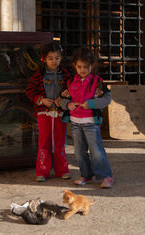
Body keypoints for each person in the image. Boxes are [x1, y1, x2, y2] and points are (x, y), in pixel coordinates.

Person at [59, 47, 114, 188]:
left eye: (86, 67)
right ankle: (86, 175)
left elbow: (107, 99)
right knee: (79, 151)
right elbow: (61, 100)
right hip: (75, 123)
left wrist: (91, 104)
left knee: (96, 150)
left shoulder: (97, 82)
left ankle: (106, 176)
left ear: (92, 66)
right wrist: (67, 104)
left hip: (91, 123)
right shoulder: (71, 82)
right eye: (79, 67)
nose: (82, 69)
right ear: (74, 66)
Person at [25, 42, 71, 182]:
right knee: (44, 143)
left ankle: (62, 170)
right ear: (44, 59)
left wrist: (65, 95)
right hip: (43, 114)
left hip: (60, 113)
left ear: (61, 58)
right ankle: (42, 171)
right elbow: (29, 91)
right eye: (50, 58)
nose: (54, 61)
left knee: (59, 143)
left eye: (57, 58)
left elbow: (72, 89)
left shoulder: (65, 74)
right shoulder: (38, 75)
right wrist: (41, 100)